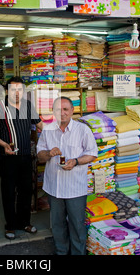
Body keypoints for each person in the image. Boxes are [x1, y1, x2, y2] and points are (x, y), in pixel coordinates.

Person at [37, 97, 98, 255]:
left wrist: (76, 162)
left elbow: (92, 154)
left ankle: (78, 252)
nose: (62, 113)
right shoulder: (47, 130)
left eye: (65, 109)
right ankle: (61, 251)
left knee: (77, 225)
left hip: (75, 188)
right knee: (57, 224)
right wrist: (49, 154)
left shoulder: (82, 130)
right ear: (53, 111)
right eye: (58, 109)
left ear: (72, 111)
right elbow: (40, 156)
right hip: (54, 187)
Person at [0, 77, 43, 240]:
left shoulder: (28, 106)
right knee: (9, 192)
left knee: (26, 191)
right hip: (7, 158)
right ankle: (10, 225)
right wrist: (3, 144)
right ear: (7, 91)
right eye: (13, 90)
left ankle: (24, 223)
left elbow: (39, 124)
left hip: (26, 156)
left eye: (19, 90)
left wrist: (59, 131)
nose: (16, 93)